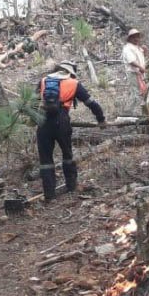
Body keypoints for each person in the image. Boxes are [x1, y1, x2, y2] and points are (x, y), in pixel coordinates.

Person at [37, 61, 105, 201]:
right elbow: (91, 103)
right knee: (67, 154)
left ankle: (49, 195)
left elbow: (32, 102)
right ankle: (71, 185)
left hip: (43, 121)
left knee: (45, 160)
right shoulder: (73, 83)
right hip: (61, 121)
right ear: (70, 72)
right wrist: (101, 119)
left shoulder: (44, 81)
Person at [121, 28, 148, 115]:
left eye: (138, 37)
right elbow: (131, 61)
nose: (137, 39)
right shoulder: (127, 48)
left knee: (143, 92)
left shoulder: (137, 48)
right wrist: (140, 67)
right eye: (134, 37)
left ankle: (144, 112)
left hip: (140, 73)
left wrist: (145, 51)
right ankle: (128, 112)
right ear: (130, 38)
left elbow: (142, 58)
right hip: (133, 73)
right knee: (135, 93)